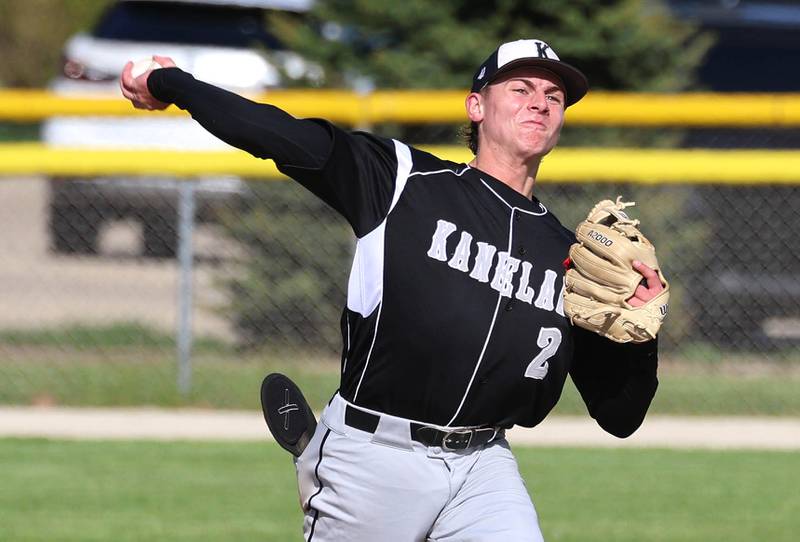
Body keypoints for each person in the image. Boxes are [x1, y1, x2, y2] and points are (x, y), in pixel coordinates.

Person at [121, 38, 665, 541]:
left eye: (554, 96)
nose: (540, 103)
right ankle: (321, 457)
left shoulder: (571, 257)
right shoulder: (402, 181)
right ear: (476, 107)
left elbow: (620, 416)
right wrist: (174, 85)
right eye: (520, 89)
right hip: (373, 456)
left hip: (484, 467)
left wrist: (640, 334)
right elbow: (276, 134)